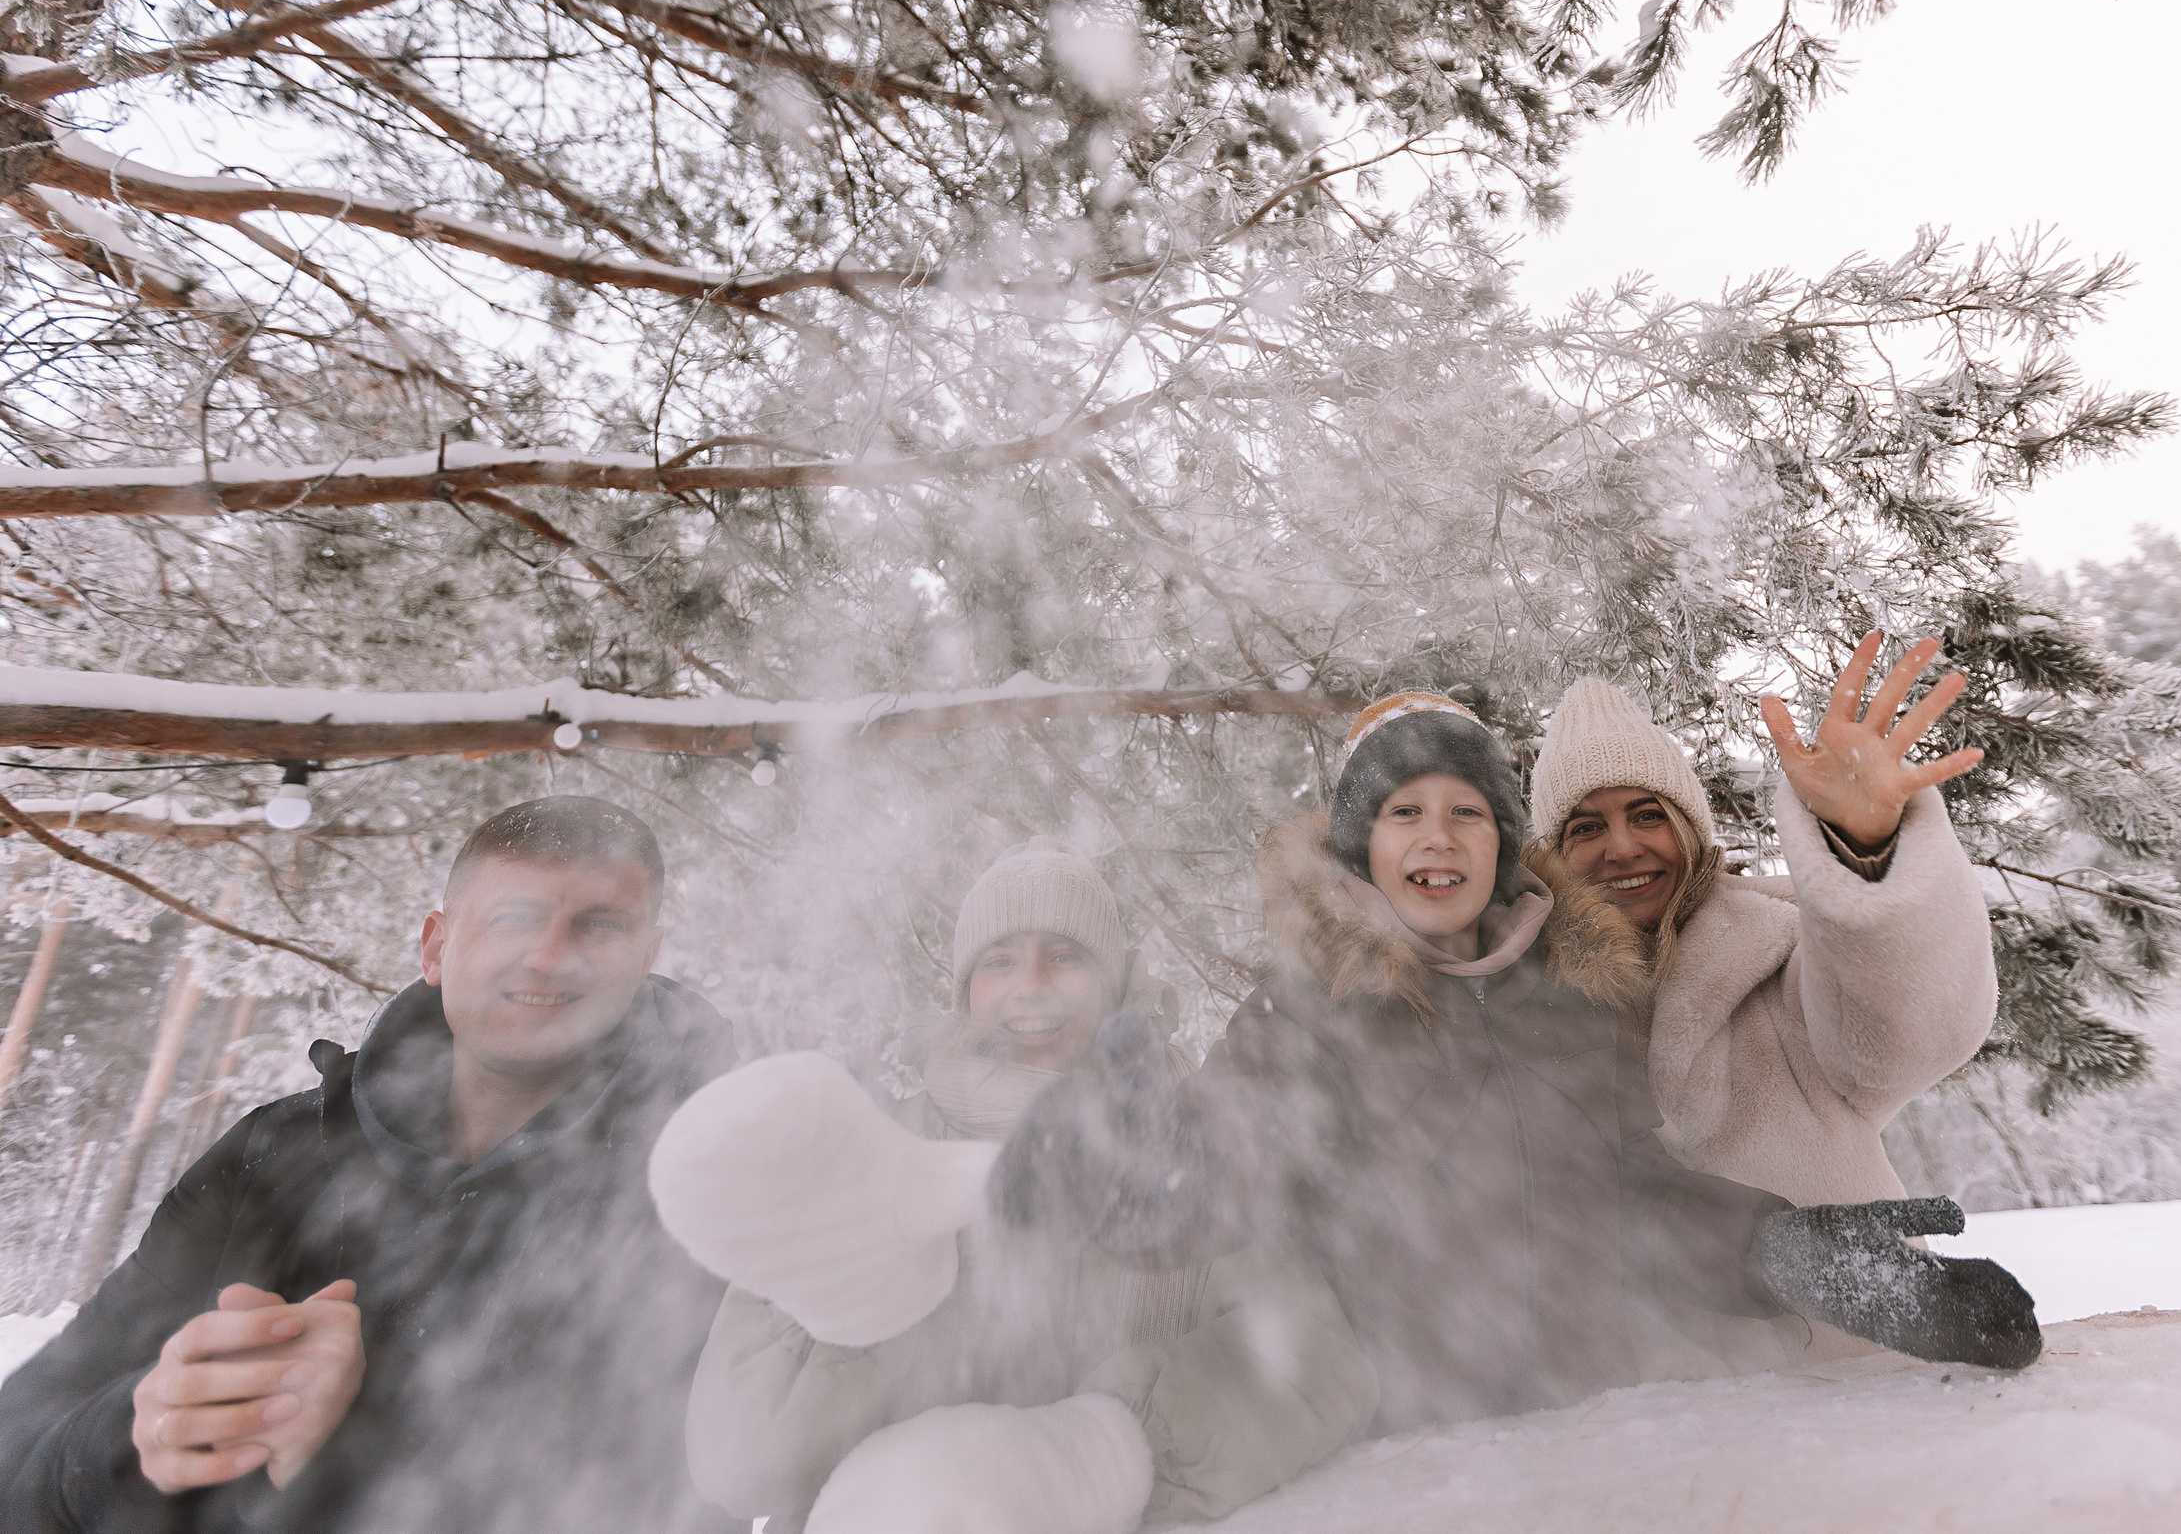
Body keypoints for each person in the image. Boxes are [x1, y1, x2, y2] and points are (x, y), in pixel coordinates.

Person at [992, 694, 2041, 1444]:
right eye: (1402, 813)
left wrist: (1788, 1254)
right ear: (1362, 849)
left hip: (1597, 1433)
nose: (1435, 837)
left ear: (1501, 844)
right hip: (1423, 1446)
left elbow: (1630, 1199)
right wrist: (1116, 1169)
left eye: (1464, 812)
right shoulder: (1305, 1013)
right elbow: (1219, 1177)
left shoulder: (1566, 1003)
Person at [0, 797, 740, 1534]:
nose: (550, 955)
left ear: (647, 958)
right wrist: (141, 1429)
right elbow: (17, 1453)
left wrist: (343, 1457)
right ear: (435, 947)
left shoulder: (715, 1196)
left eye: (600, 924)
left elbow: (706, 1500)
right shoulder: (275, 1152)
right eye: (514, 916)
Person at [652, 838, 1378, 1534]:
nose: (1031, 983)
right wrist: (858, 1297)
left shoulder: (1188, 1144)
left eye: (1066, 956)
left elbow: (1323, 1365)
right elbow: (740, 1464)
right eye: (999, 959)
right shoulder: (867, 1152)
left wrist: (1097, 1452)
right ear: (965, 990)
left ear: (1120, 983)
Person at [1529, 635, 1998, 1208]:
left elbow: (1912, 1034)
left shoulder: (1780, 958)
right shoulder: (1525, 996)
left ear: (1689, 828)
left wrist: (1865, 848)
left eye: (1647, 815)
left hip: (1842, 1293)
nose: (1623, 848)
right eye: (1585, 828)